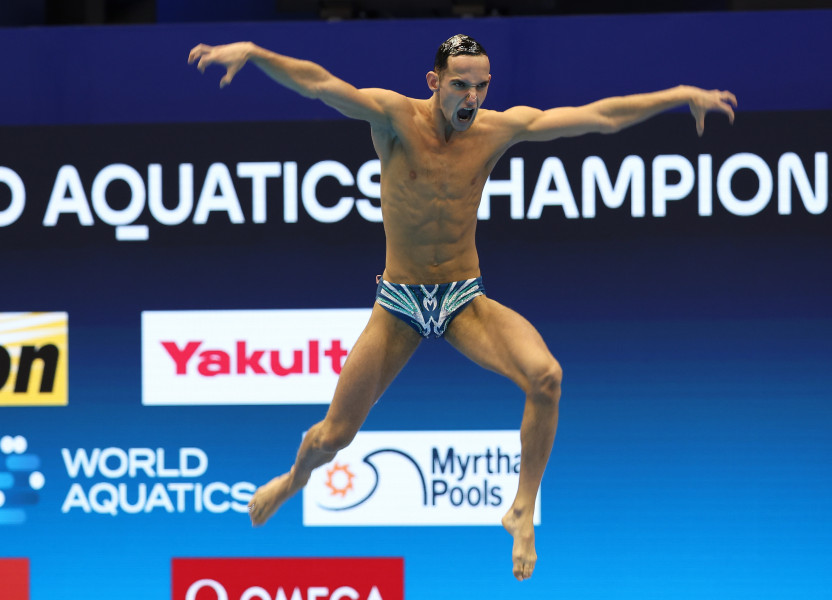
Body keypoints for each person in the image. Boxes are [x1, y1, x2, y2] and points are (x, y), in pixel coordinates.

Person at [188, 33, 736, 581]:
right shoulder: (394, 118)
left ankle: (522, 509)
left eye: (481, 86)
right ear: (434, 83)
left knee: (546, 376)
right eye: (460, 86)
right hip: (399, 302)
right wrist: (257, 55)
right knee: (332, 436)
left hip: (462, 299)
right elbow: (318, 84)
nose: (472, 97)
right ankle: (292, 480)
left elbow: (597, 117)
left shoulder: (498, 129)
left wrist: (678, 91)